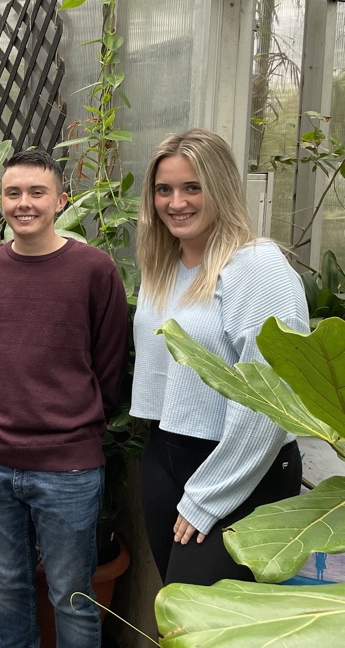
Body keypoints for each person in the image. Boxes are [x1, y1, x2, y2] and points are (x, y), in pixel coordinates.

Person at [0, 149, 128, 648]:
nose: (24, 203)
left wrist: (72, 417)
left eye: (36, 193)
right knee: (9, 584)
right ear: (1, 201)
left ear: (60, 200)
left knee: (72, 594)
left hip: (68, 469)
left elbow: (109, 364)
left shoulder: (94, 271)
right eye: (13, 193)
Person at [132, 128, 306, 586]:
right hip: (167, 451)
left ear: (222, 189)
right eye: (164, 190)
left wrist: (207, 496)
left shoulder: (257, 267)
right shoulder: (164, 266)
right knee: (177, 607)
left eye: (193, 187)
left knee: (208, 622)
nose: (177, 202)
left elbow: (272, 395)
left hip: (244, 466)